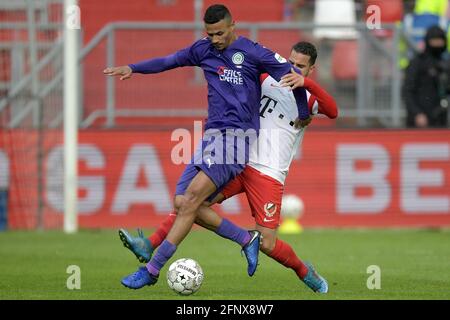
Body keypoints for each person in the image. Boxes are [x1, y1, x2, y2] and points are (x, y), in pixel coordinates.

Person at [104, 4, 312, 289]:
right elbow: (169, 61)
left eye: (219, 33)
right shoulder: (203, 50)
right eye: (210, 34)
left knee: (189, 201)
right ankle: (245, 238)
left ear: (232, 26)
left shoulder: (253, 52)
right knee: (182, 203)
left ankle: (151, 270)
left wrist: (302, 112)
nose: (215, 39)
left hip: (237, 139)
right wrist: (133, 68)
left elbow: (293, 78)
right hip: (211, 137)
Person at [403, 25, 449, 128]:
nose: (437, 44)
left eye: (440, 40)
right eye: (434, 40)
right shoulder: (418, 62)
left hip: (441, 118)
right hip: (421, 119)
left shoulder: (445, 63)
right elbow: (408, 91)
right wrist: (417, 113)